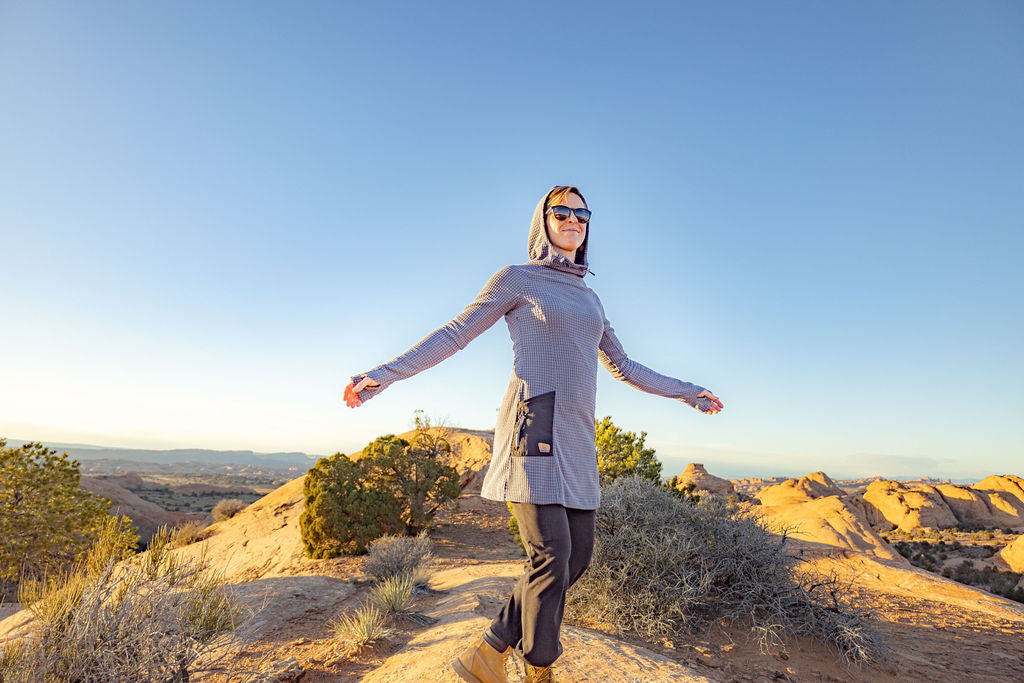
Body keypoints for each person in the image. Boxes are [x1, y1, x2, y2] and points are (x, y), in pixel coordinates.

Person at [343, 185, 723, 683]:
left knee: (576, 559)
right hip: (534, 425)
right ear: (541, 221)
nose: (573, 220)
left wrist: (688, 391)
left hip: (576, 437)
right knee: (552, 555)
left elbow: (625, 367)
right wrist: (384, 374)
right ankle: (539, 668)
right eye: (560, 211)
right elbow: (455, 333)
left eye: (581, 214)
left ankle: (490, 649)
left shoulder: (590, 297)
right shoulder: (516, 280)